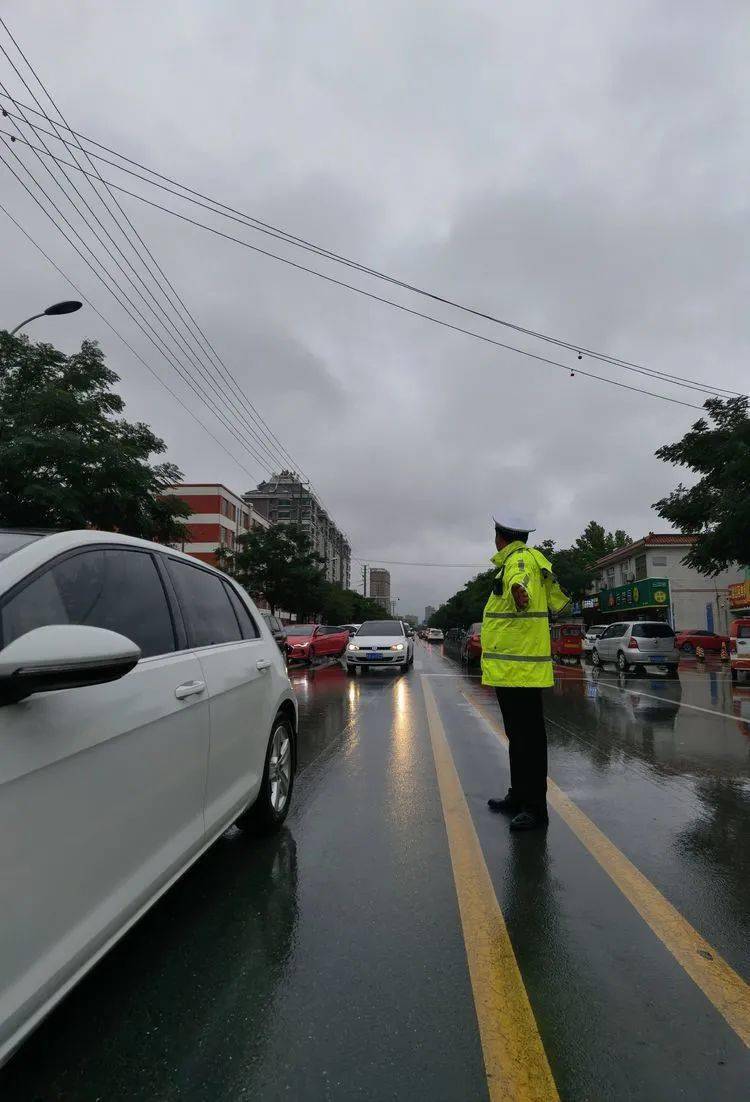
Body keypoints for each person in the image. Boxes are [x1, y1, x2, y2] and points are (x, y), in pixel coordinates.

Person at [481, 515, 557, 831]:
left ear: (501, 537)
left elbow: (520, 579)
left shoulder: (520, 560)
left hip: (521, 670)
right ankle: (519, 796)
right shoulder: (518, 558)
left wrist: (518, 590)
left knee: (529, 741)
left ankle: (535, 808)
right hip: (514, 669)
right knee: (519, 738)